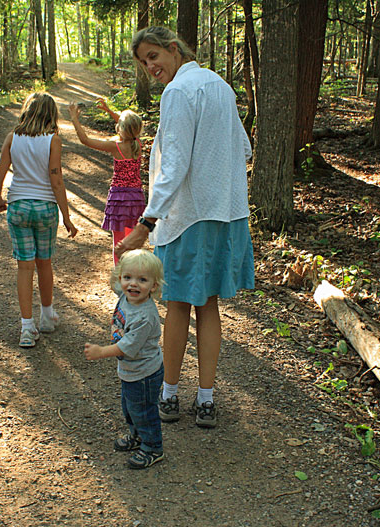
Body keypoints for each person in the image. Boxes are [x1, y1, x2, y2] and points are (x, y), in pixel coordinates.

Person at [116, 26, 254, 428]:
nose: (151, 67)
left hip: (188, 216)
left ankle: (171, 395)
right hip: (225, 213)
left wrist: (147, 221)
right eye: (144, 62)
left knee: (177, 305)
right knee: (207, 304)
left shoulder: (178, 92)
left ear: (173, 49)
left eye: (154, 56)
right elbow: (243, 147)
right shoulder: (219, 85)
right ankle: (206, 400)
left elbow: (173, 164)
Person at [0, 92, 78, 348]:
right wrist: (66, 216)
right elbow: (56, 179)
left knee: (24, 267)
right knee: (44, 263)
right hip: (45, 209)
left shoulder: (12, 138)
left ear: (27, 111)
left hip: (17, 206)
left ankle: (27, 329)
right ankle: (47, 317)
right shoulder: (53, 140)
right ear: (51, 114)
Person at [84, 249, 165, 469]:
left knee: (143, 410)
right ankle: (137, 435)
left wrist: (101, 351)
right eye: (127, 277)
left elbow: (126, 347)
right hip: (132, 371)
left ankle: (152, 447)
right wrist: (120, 255)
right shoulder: (125, 295)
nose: (133, 284)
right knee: (130, 408)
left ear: (154, 286)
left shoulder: (145, 317)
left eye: (142, 280)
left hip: (145, 373)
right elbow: (114, 278)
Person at [68, 99, 145, 265]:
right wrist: (109, 111)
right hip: (136, 197)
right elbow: (130, 126)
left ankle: (119, 273)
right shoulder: (137, 143)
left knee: (118, 241)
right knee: (131, 240)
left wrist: (75, 119)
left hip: (118, 198)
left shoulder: (115, 146)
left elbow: (85, 140)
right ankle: (133, 271)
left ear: (120, 128)